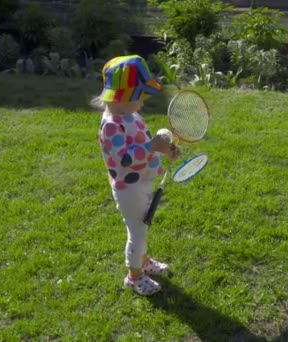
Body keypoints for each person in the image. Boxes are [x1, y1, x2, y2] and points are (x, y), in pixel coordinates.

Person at [96, 55, 179, 296]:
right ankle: (134, 275)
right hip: (128, 188)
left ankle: (142, 260)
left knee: (143, 226)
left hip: (142, 182)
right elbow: (125, 158)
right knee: (137, 230)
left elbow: (144, 144)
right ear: (122, 97)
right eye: (139, 98)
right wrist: (153, 147)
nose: (142, 104)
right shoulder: (111, 125)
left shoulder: (130, 116)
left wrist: (165, 149)